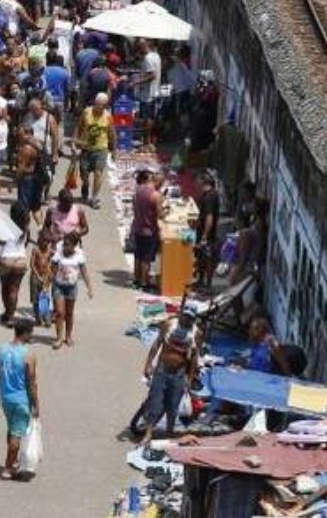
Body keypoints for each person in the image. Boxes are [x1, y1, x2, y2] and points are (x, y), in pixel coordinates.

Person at [134, 308, 200, 456]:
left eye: (190, 318)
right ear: (181, 314)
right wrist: (148, 364)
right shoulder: (169, 325)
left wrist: (189, 378)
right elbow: (157, 344)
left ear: (194, 319)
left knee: (173, 406)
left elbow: (194, 358)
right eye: (185, 316)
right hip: (162, 370)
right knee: (154, 402)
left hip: (179, 374)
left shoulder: (196, 333)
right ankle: (148, 434)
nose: (187, 320)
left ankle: (169, 436)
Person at [0, 317, 39, 481]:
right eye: (30, 333)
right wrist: (36, 405)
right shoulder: (28, 355)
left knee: (12, 429)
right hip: (21, 400)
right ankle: (8, 467)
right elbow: (32, 383)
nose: (31, 336)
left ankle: (12, 460)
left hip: (6, 398)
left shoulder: (2, 350)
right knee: (17, 435)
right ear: (25, 333)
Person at [50, 232, 93, 348]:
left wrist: (89, 287)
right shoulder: (59, 252)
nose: (65, 247)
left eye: (68, 245)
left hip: (71, 287)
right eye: (64, 244)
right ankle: (58, 338)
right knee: (59, 312)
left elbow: (84, 271)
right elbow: (52, 269)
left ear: (74, 245)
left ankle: (68, 336)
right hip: (58, 286)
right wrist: (46, 283)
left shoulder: (79, 254)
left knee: (69, 313)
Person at [77, 93, 113, 207]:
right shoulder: (86, 112)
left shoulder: (108, 116)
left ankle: (94, 197)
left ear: (105, 106)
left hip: (101, 149)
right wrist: (75, 143)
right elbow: (79, 127)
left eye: (101, 106)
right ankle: (85, 186)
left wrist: (114, 150)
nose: (98, 107)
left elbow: (112, 134)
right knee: (84, 175)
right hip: (86, 148)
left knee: (98, 173)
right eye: (97, 104)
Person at [130, 170, 164, 292]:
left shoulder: (137, 191)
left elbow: (134, 208)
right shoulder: (156, 195)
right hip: (149, 230)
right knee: (146, 258)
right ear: (157, 181)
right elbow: (160, 215)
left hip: (138, 227)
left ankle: (136, 279)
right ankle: (144, 282)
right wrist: (165, 212)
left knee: (138, 256)